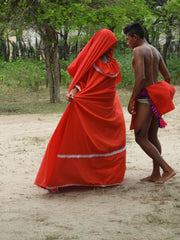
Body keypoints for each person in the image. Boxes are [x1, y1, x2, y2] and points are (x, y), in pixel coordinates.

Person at [34, 29, 126, 192]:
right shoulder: (92, 62)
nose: (112, 47)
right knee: (82, 141)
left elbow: (110, 87)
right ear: (102, 44)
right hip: (89, 108)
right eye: (110, 44)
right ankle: (73, 176)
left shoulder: (113, 63)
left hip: (109, 110)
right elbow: (81, 82)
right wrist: (73, 94)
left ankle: (107, 176)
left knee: (109, 142)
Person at [123, 22, 176, 184]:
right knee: (152, 136)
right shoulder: (154, 50)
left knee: (140, 137)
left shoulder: (138, 50)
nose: (127, 42)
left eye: (127, 39)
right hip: (154, 97)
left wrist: (132, 99)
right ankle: (155, 173)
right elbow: (167, 77)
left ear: (135, 37)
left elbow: (141, 78)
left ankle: (167, 169)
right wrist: (159, 94)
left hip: (145, 98)